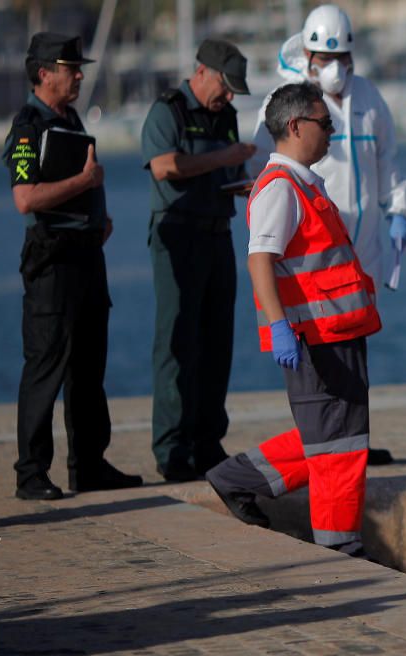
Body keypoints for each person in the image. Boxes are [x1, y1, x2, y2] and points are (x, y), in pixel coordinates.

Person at [206, 82, 381, 557]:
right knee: (337, 449)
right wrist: (281, 327)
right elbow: (260, 258)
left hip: (337, 334)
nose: (331, 133)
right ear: (295, 126)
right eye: (325, 125)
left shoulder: (303, 182)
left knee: (334, 438)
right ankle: (340, 551)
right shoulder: (280, 188)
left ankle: (235, 476)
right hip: (314, 339)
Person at [247, 5, 406, 467]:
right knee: (320, 359)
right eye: (322, 56)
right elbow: (266, 170)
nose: (333, 67)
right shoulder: (291, 103)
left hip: (362, 248)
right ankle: (323, 446)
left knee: (355, 346)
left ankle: (356, 438)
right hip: (313, 251)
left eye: (341, 57)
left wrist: (399, 211)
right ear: (307, 53)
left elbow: (388, 163)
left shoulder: (370, 98)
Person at [3, 33, 142, 500]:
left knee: (88, 364)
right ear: (44, 72)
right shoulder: (28, 127)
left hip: (86, 256)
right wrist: (83, 182)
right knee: (45, 365)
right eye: (70, 67)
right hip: (52, 261)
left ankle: (89, 463)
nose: (79, 73)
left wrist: (97, 217)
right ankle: (31, 473)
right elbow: (25, 199)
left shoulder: (71, 116)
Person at [141, 39, 257, 481]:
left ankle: (207, 441)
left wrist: (244, 180)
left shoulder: (225, 115)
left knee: (216, 342)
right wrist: (224, 158)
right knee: (176, 343)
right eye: (226, 87)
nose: (229, 98)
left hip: (217, 233)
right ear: (203, 71)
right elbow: (165, 166)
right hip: (178, 235)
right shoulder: (167, 110)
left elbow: (225, 170)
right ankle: (172, 447)